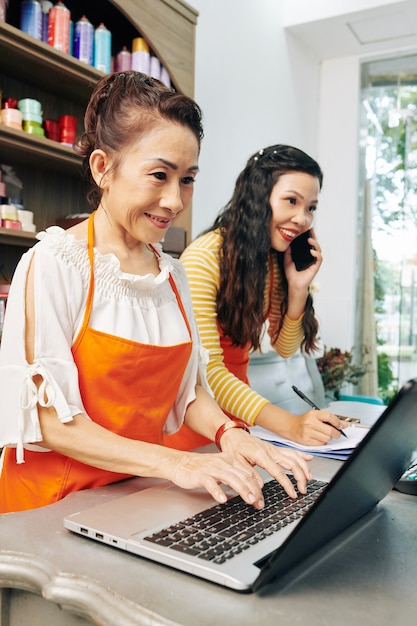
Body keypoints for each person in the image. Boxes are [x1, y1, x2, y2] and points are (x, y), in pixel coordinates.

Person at [0, 73, 313, 514]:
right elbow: (54, 425)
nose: (174, 200)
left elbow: (188, 394)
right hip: (50, 509)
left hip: (127, 499)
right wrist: (177, 463)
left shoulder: (172, 275)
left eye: (187, 179)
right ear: (102, 168)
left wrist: (232, 435)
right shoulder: (54, 263)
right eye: (159, 175)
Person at [164, 144, 347, 452]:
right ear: (259, 196)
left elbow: (285, 348)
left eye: (311, 207)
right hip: (194, 427)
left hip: (239, 424)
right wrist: (290, 424)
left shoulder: (272, 263)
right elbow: (209, 375)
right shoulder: (204, 258)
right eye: (291, 201)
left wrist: (298, 289)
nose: (302, 219)